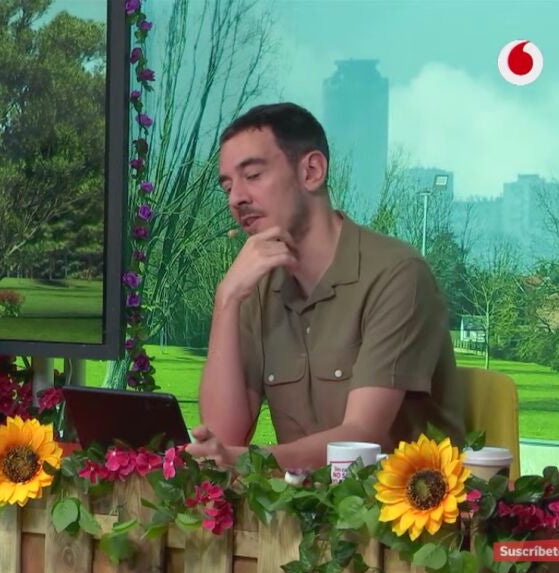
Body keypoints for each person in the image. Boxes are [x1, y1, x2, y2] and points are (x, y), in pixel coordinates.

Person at [187, 103, 465, 471]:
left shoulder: (397, 273)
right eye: (227, 186)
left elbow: (362, 436)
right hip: (301, 500)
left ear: (312, 171)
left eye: (252, 175)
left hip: (406, 500)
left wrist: (247, 461)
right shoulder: (255, 285)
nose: (236, 198)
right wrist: (226, 299)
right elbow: (224, 435)